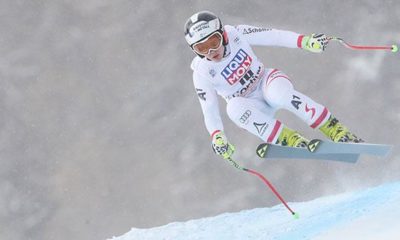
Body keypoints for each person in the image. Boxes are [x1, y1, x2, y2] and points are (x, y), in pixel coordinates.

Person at [184, 11, 362, 160]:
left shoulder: (236, 33)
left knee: (280, 95)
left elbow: (274, 36)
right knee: (233, 109)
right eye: (202, 48)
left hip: (266, 82)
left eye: (214, 42)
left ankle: (336, 131)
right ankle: (291, 140)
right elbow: (209, 109)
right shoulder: (201, 72)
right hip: (250, 104)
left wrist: (305, 42)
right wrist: (217, 136)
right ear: (195, 51)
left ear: (223, 35)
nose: (211, 52)